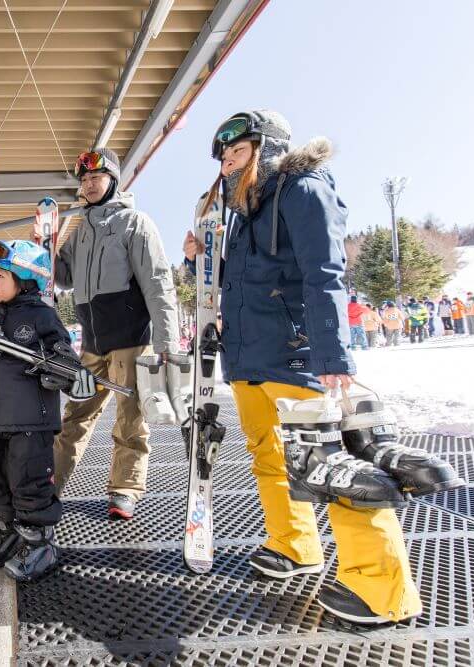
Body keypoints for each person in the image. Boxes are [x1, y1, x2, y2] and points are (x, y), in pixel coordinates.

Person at [183, 110, 420, 625]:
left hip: (297, 354)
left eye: (237, 151)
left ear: (267, 147)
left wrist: (332, 355)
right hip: (249, 357)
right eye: (223, 156)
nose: (227, 164)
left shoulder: (303, 190)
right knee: (269, 457)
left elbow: (325, 273)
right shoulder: (242, 211)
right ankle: (294, 544)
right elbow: (234, 282)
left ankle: (380, 590)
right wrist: (197, 259)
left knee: (331, 463)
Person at [38, 147, 180, 520]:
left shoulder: (135, 223)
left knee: (130, 419)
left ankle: (124, 489)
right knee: (75, 415)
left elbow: (158, 284)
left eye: (96, 177)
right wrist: (47, 250)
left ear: (113, 180)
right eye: (85, 179)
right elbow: (63, 279)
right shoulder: (81, 230)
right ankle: (49, 485)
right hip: (92, 344)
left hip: (131, 340)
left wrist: (166, 344)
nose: (89, 184)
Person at [0, 240, 95, 582]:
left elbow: (64, 355)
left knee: (29, 480)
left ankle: (41, 542)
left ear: (25, 280)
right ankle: (10, 530)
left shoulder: (43, 316)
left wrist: (70, 374)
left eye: (2, 276)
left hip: (32, 420)